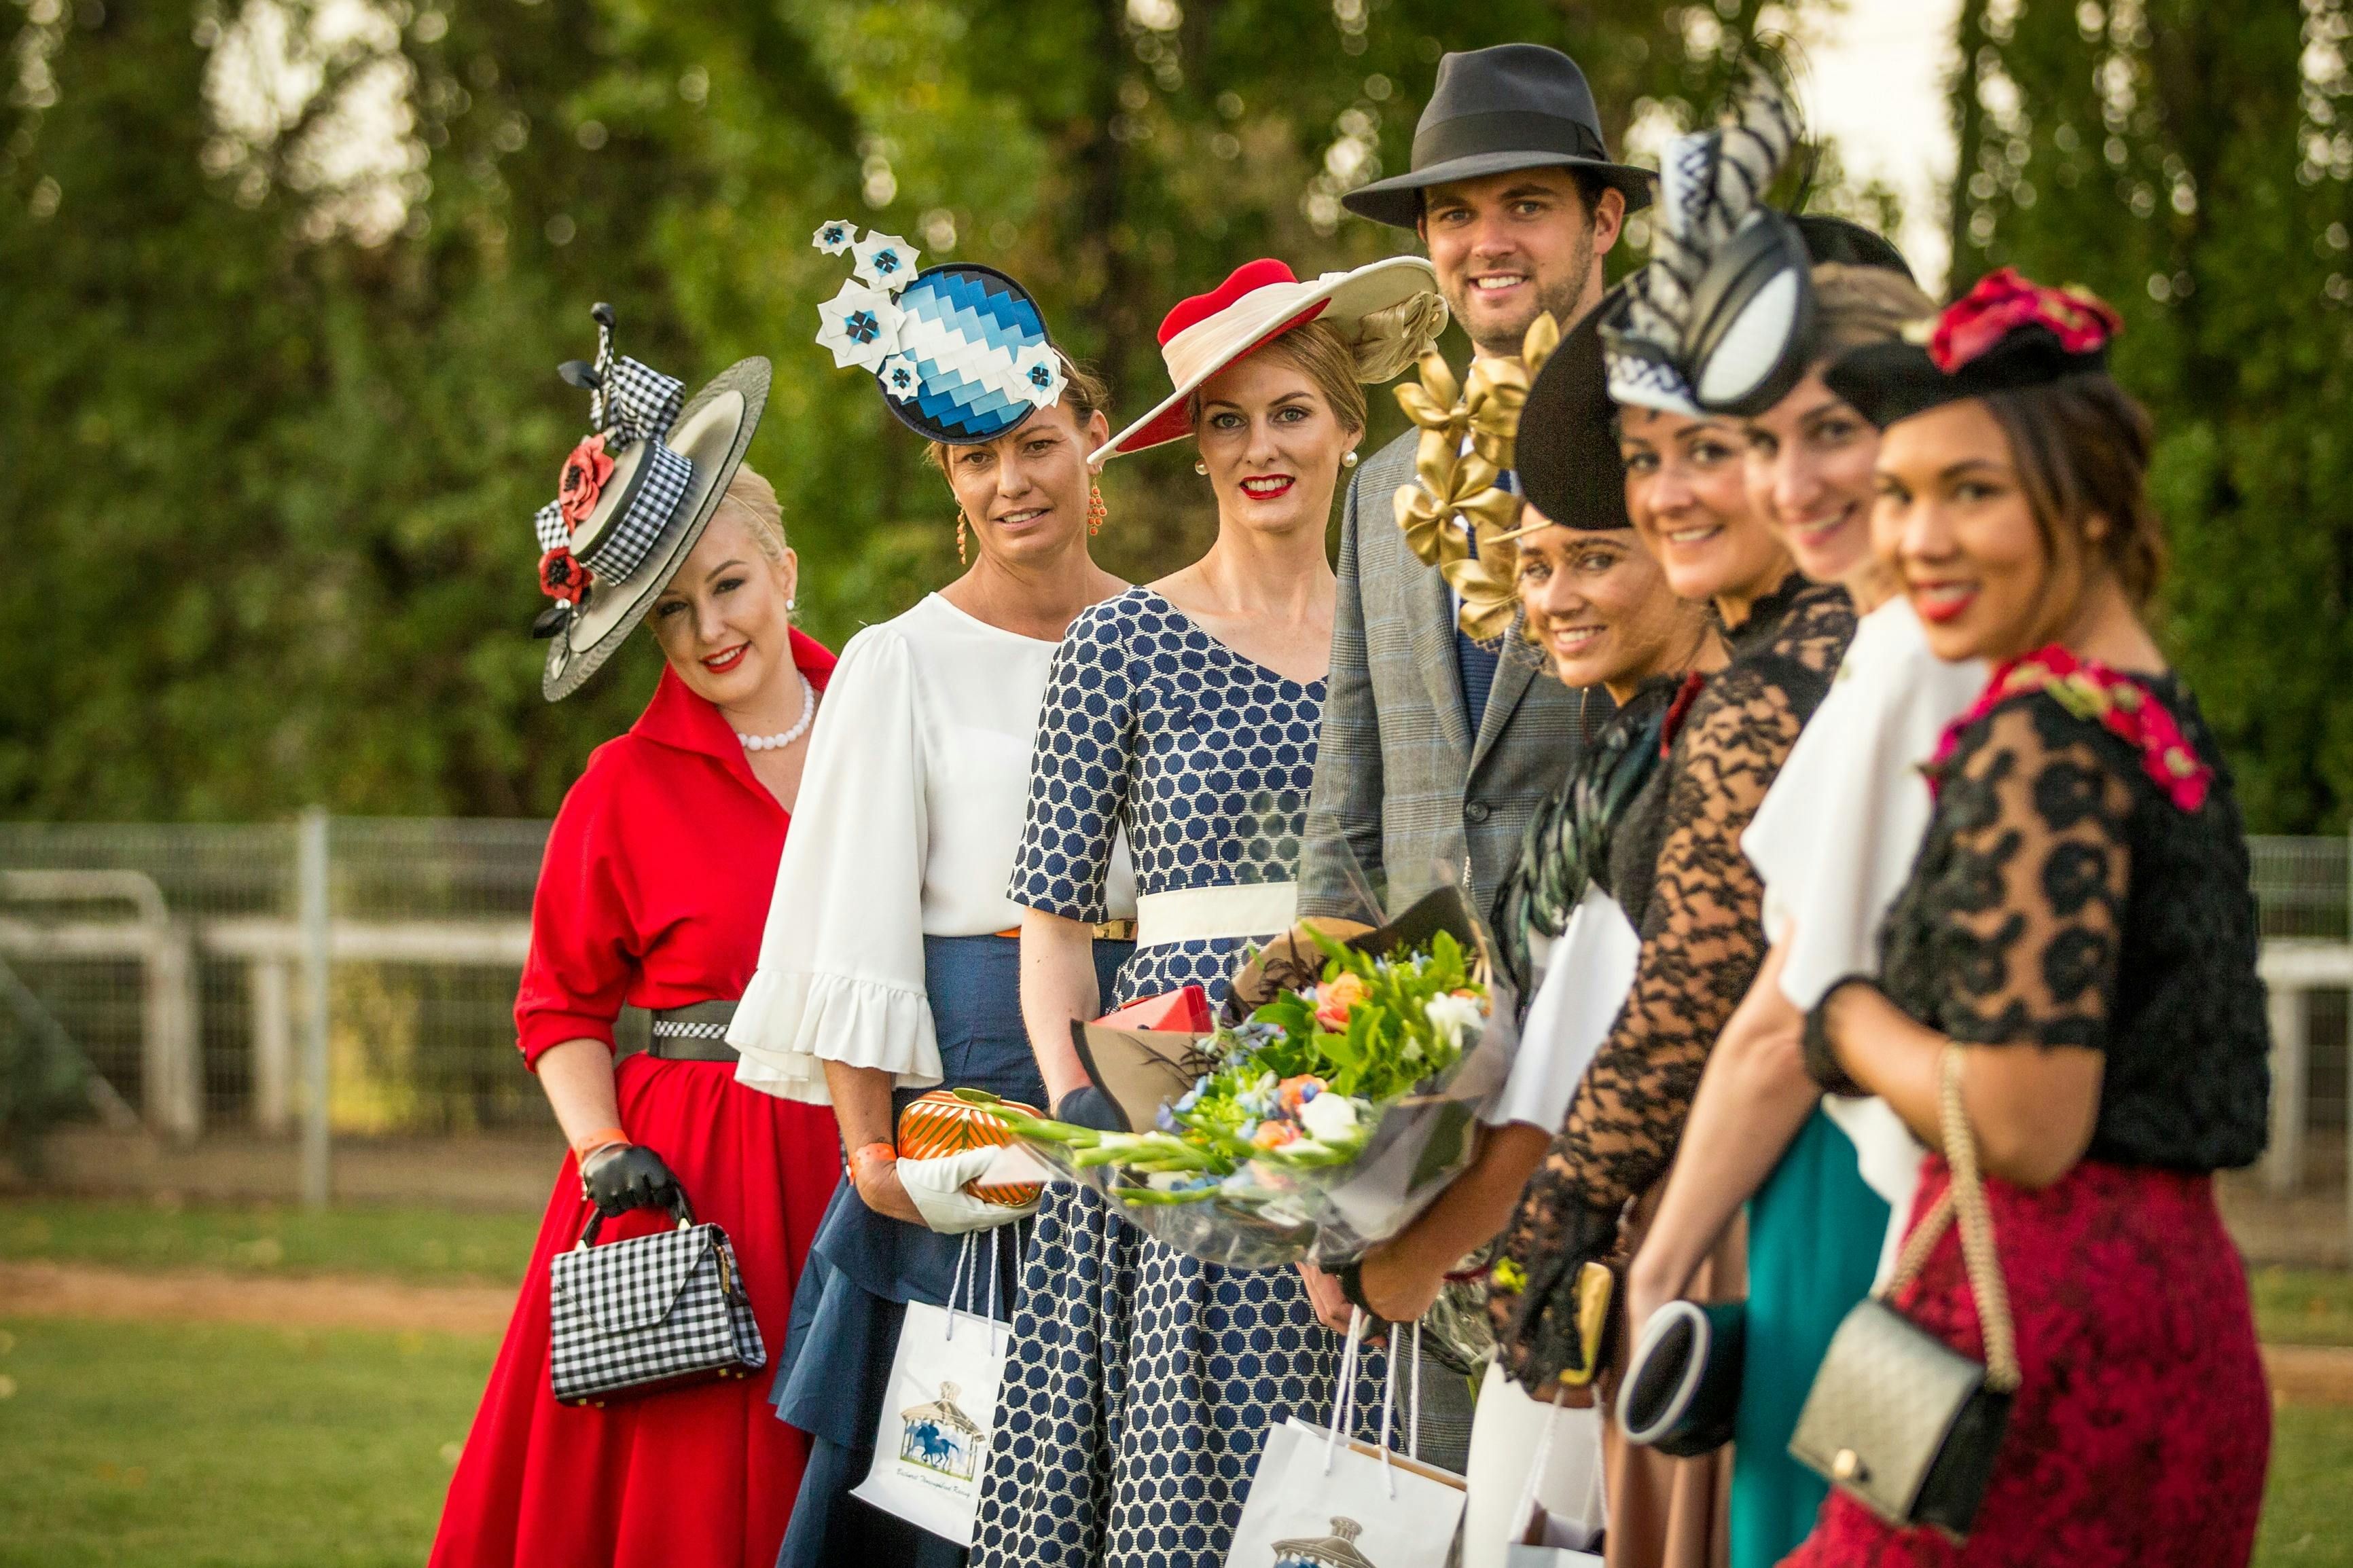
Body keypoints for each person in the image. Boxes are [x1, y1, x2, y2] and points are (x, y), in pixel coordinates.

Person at [1782, 270, 2271, 1565]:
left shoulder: (2040, 740)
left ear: (2096, 505)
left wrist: (1845, 1018)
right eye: (1899, 494)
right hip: (2183, 1321)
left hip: (2022, 1329)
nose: (1917, 539)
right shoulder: (2153, 717)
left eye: (1971, 491)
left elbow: (2023, 1120)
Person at [971, 257, 1448, 1568]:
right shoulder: (1117, 643)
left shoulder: (1416, 631)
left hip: (1370, 1072)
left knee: (1357, 1477)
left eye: (1290, 411)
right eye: (1225, 421)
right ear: (1192, 450)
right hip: (1170, 1096)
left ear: (1352, 424)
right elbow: (1057, 929)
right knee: (1180, 1489)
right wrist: (1090, 1110)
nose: (1259, 448)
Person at [1486, 81, 1857, 1568]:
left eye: (1710, 448)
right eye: (1650, 460)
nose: (1676, 490)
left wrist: (1563, 1209)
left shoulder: (1797, 675)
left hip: (1802, 1196)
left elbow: (1714, 998)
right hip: (1739, 1186)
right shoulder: (1770, 658)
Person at [726, 256, 1135, 1568]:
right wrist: (873, 1155)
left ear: (1091, 441)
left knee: (1131, 1471)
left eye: (1034, 444)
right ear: (949, 484)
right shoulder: (900, 660)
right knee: (951, 1485)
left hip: (1156, 1081)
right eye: (975, 459)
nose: (1011, 481)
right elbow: (853, 921)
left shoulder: (1172, 638)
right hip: (979, 1109)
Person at [433, 324, 843, 1568]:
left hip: (869, 1146)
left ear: (783, 570)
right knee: (704, 1506)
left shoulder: (893, 724)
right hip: (691, 1179)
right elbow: (557, 1009)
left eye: (728, 585)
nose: (713, 628)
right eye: (672, 614)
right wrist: (607, 1148)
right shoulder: (618, 787)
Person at [1617, 234, 1992, 1568]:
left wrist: (1662, 1260)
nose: (1793, 480)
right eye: (1763, 441)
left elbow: (1792, 1017)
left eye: (1829, 429)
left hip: (1865, 1203)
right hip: (1881, 1186)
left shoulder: (1902, 655)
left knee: (1824, 1537)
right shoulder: (1932, 637)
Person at [1336, 306, 1725, 1568]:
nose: (1553, 597)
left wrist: (1416, 1254)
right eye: (1537, 564)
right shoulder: (1623, 743)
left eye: (1595, 561)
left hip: (1661, 1261)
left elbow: (1615, 1074)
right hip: (1567, 1260)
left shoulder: (1704, 748)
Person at [1302, 42, 1653, 926]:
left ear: (1604, 220)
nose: (1488, 243)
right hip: (1425, 1020)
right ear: (1425, 237)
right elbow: (1347, 797)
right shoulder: (1383, 492)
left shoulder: (1672, 457)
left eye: (1526, 205)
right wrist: (1307, 1005)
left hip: (1621, 984)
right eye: (1456, 214)